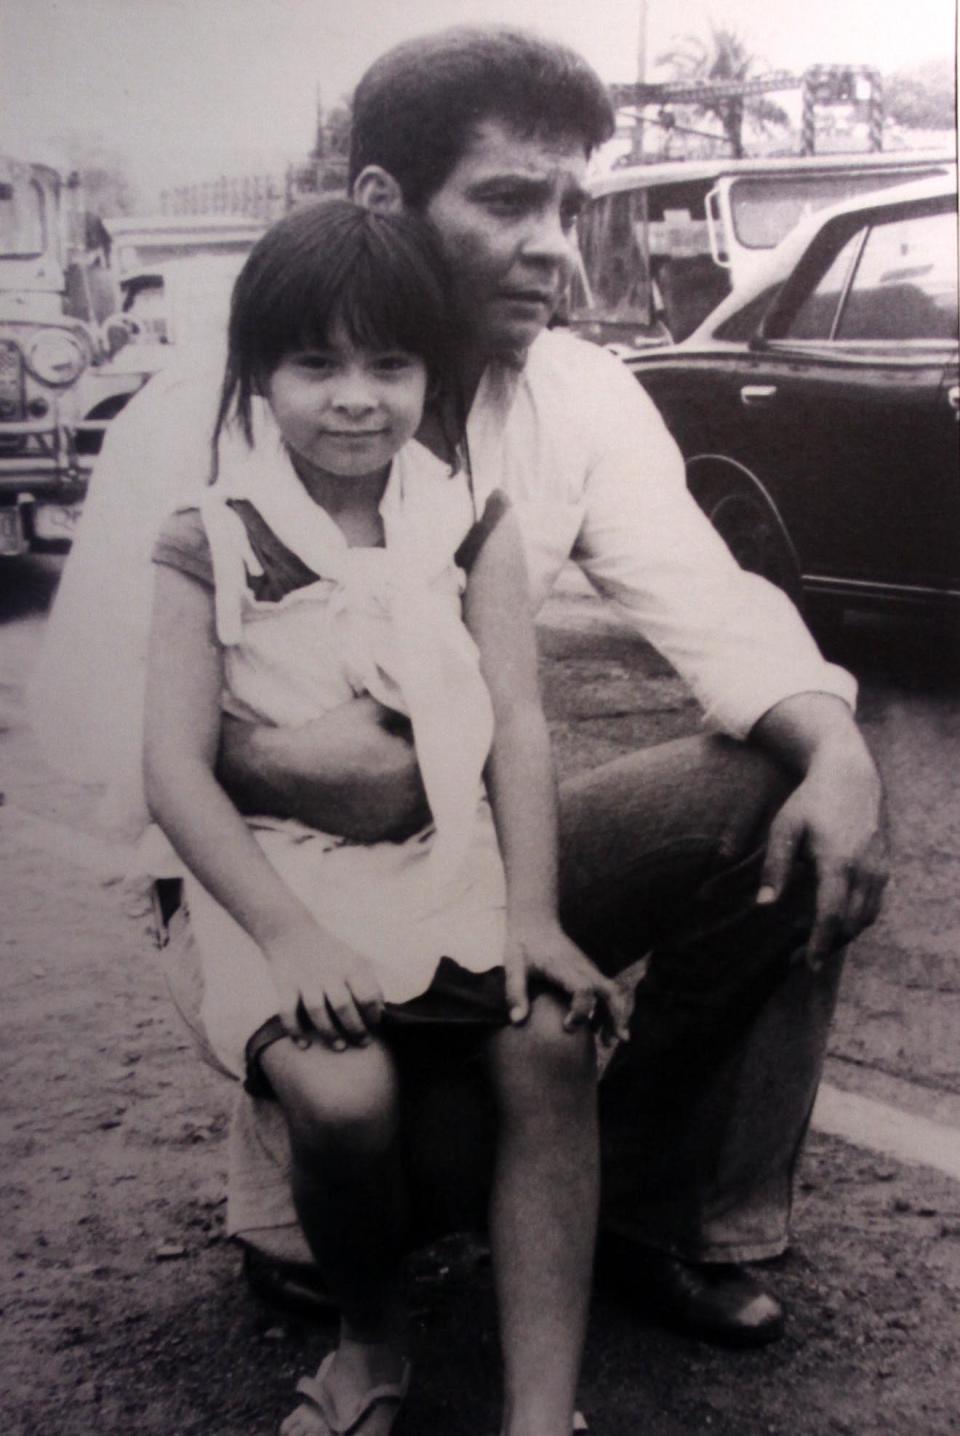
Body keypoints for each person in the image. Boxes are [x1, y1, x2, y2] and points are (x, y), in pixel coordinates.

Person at [32, 24, 888, 1352]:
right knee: (381, 1145)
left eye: (570, 206)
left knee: (789, 785)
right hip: (260, 891)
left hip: (476, 865)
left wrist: (835, 744)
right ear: (383, 200)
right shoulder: (206, 411)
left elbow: (714, 609)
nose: (556, 242)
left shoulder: (580, 397)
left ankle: (652, 1210)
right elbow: (94, 736)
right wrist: (278, 765)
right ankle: (323, 1185)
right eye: (507, 200)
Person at [142, 198, 628, 1436]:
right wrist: (293, 939)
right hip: (280, 879)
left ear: (432, 372)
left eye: (391, 362)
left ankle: (542, 1410)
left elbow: (516, 720)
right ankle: (369, 1338)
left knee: (552, 1035)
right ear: (257, 373)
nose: (357, 396)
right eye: (317, 362)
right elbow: (176, 772)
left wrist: (533, 913)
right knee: (345, 1097)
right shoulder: (211, 536)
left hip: (446, 865)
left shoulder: (472, 522)